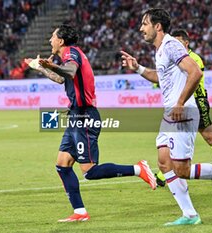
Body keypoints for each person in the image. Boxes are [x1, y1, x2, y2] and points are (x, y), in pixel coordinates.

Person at [120, 8, 212, 226]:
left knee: (182, 169)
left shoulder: (170, 45)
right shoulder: (160, 50)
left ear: (157, 26)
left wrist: (180, 103)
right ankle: (190, 215)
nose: (141, 28)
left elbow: (195, 72)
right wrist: (138, 68)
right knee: (163, 161)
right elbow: (161, 78)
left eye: (145, 23)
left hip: (183, 113)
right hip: (170, 114)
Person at [25, 24, 156, 222]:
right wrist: (41, 67)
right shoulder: (67, 56)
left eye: (52, 37)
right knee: (62, 164)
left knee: (90, 172)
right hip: (75, 117)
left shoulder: (72, 53)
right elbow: (62, 79)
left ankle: (138, 169)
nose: (50, 41)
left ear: (61, 40)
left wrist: (49, 65)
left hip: (85, 116)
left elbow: (68, 71)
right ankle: (80, 212)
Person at [155, 29, 212, 186]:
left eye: (179, 42)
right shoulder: (172, 57)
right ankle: (162, 175)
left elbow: (193, 78)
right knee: (173, 139)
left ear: (186, 42)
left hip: (197, 101)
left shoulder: (193, 58)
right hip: (181, 103)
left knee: (210, 137)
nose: (175, 45)